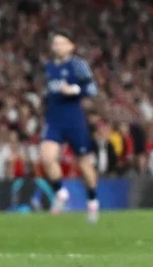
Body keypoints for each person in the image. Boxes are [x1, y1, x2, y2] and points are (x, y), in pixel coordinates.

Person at [41, 32, 101, 223]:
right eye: (55, 43)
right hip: (54, 119)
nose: (57, 46)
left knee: (83, 164)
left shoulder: (78, 65)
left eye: (62, 43)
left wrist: (74, 89)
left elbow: (92, 89)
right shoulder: (49, 67)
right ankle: (61, 193)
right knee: (47, 157)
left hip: (74, 120)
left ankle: (92, 201)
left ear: (71, 46)